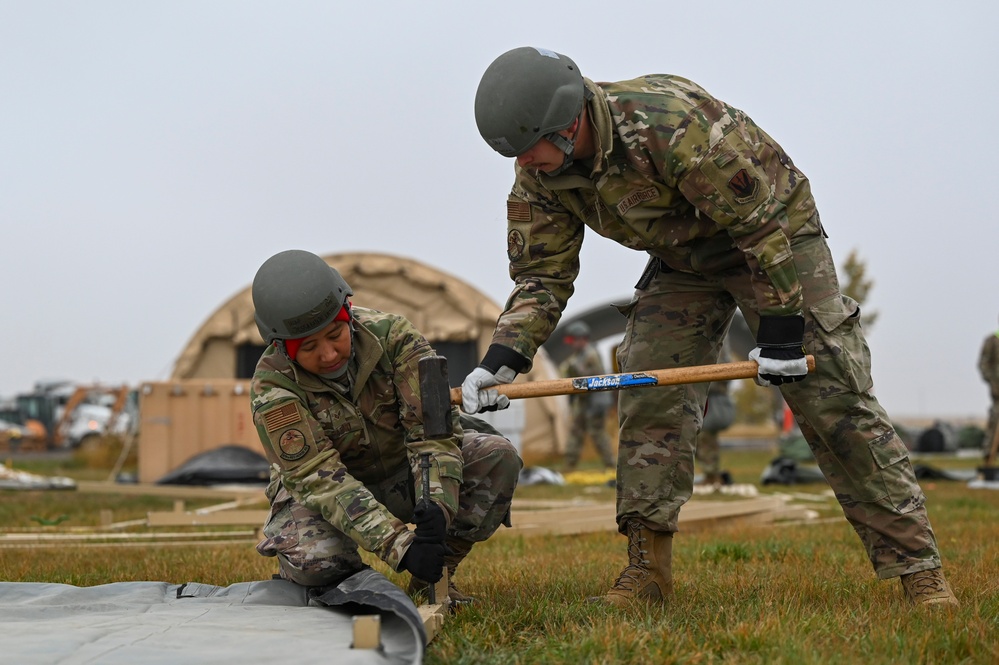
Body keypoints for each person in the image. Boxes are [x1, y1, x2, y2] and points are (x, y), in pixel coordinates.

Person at [461, 46, 957, 608]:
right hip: (685, 259)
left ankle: (919, 570)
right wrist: (501, 357)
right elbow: (541, 278)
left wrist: (783, 334)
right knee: (646, 387)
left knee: (830, 393)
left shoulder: (670, 123)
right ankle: (647, 571)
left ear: (569, 123)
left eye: (530, 152)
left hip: (774, 237)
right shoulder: (539, 176)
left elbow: (760, 226)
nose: (524, 165)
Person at [249, 249, 521, 604]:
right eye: (309, 347)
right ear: (281, 347)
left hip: (402, 473)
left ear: (347, 314)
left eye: (335, 335)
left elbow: (432, 434)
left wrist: (437, 506)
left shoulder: (395, 338)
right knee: (315, 558)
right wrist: (401, 547)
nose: (329, 354)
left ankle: (436, 577)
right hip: (328, 493)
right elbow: (317, 477)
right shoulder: (273, 387)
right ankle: (347, 589)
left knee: (498, 457)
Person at [557, 321, 615, 471]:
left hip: (595, 401)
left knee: (597, 433)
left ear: (581, 338)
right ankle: (569, 466)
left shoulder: (591, 355)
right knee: (576, 431)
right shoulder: (578, 356)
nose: (571, 344)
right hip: (584, 401)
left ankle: (610, 465)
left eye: (573, 340)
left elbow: (594, 378)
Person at [979, 316, 999, 458]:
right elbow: (984, 364)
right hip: (997, 389)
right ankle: (989, 455)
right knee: (996, 420)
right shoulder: (992, 341)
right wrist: (993, 383)